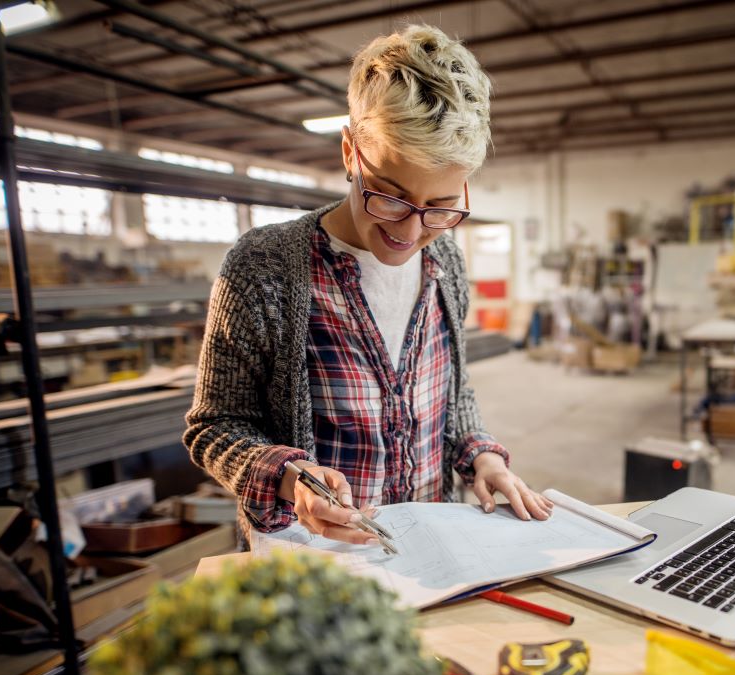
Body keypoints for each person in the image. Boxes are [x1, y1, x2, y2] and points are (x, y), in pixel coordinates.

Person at [184, 24, 550, 548]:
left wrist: (481, 455)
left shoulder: (444, 258)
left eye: (440, 207)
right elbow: (213, 426)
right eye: (391, 197)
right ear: (351, 152)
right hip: (313, 564)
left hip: (433, 552)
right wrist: (294, 480)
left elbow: (452, 392)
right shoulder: (264, 268)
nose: (410, 232)